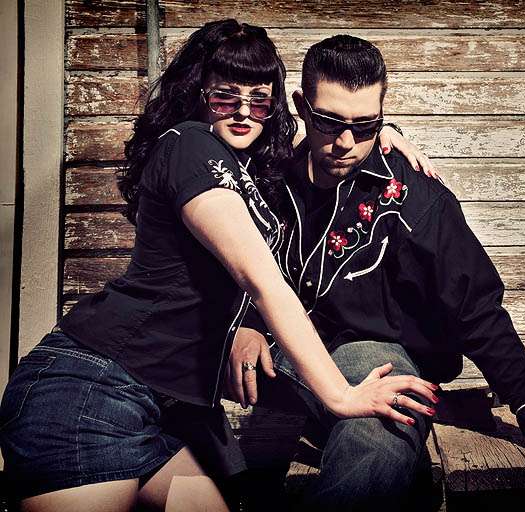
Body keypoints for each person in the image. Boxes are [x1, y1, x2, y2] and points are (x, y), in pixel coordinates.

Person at [0, 21, 438, 512]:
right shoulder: (189, 144)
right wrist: (340, 395)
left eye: (260, 99)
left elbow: (319, 139)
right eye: (226, 97)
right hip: (94, 388)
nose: (244, 112)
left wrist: (380, 133)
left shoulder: (243, 165)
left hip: (165, 408)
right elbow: (261, 279)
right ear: (198, 92)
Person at [230, 34, 525, 511]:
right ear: (302, 107)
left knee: (385, 423)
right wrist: (247, 322)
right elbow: (236, 257)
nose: (345, 143)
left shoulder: (416, 199)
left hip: (370, 356)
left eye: (366, 126)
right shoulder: (268, 174)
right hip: (278, 356)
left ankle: (426, 409)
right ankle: (439, 407)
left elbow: (477, 309)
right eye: (329, 122)